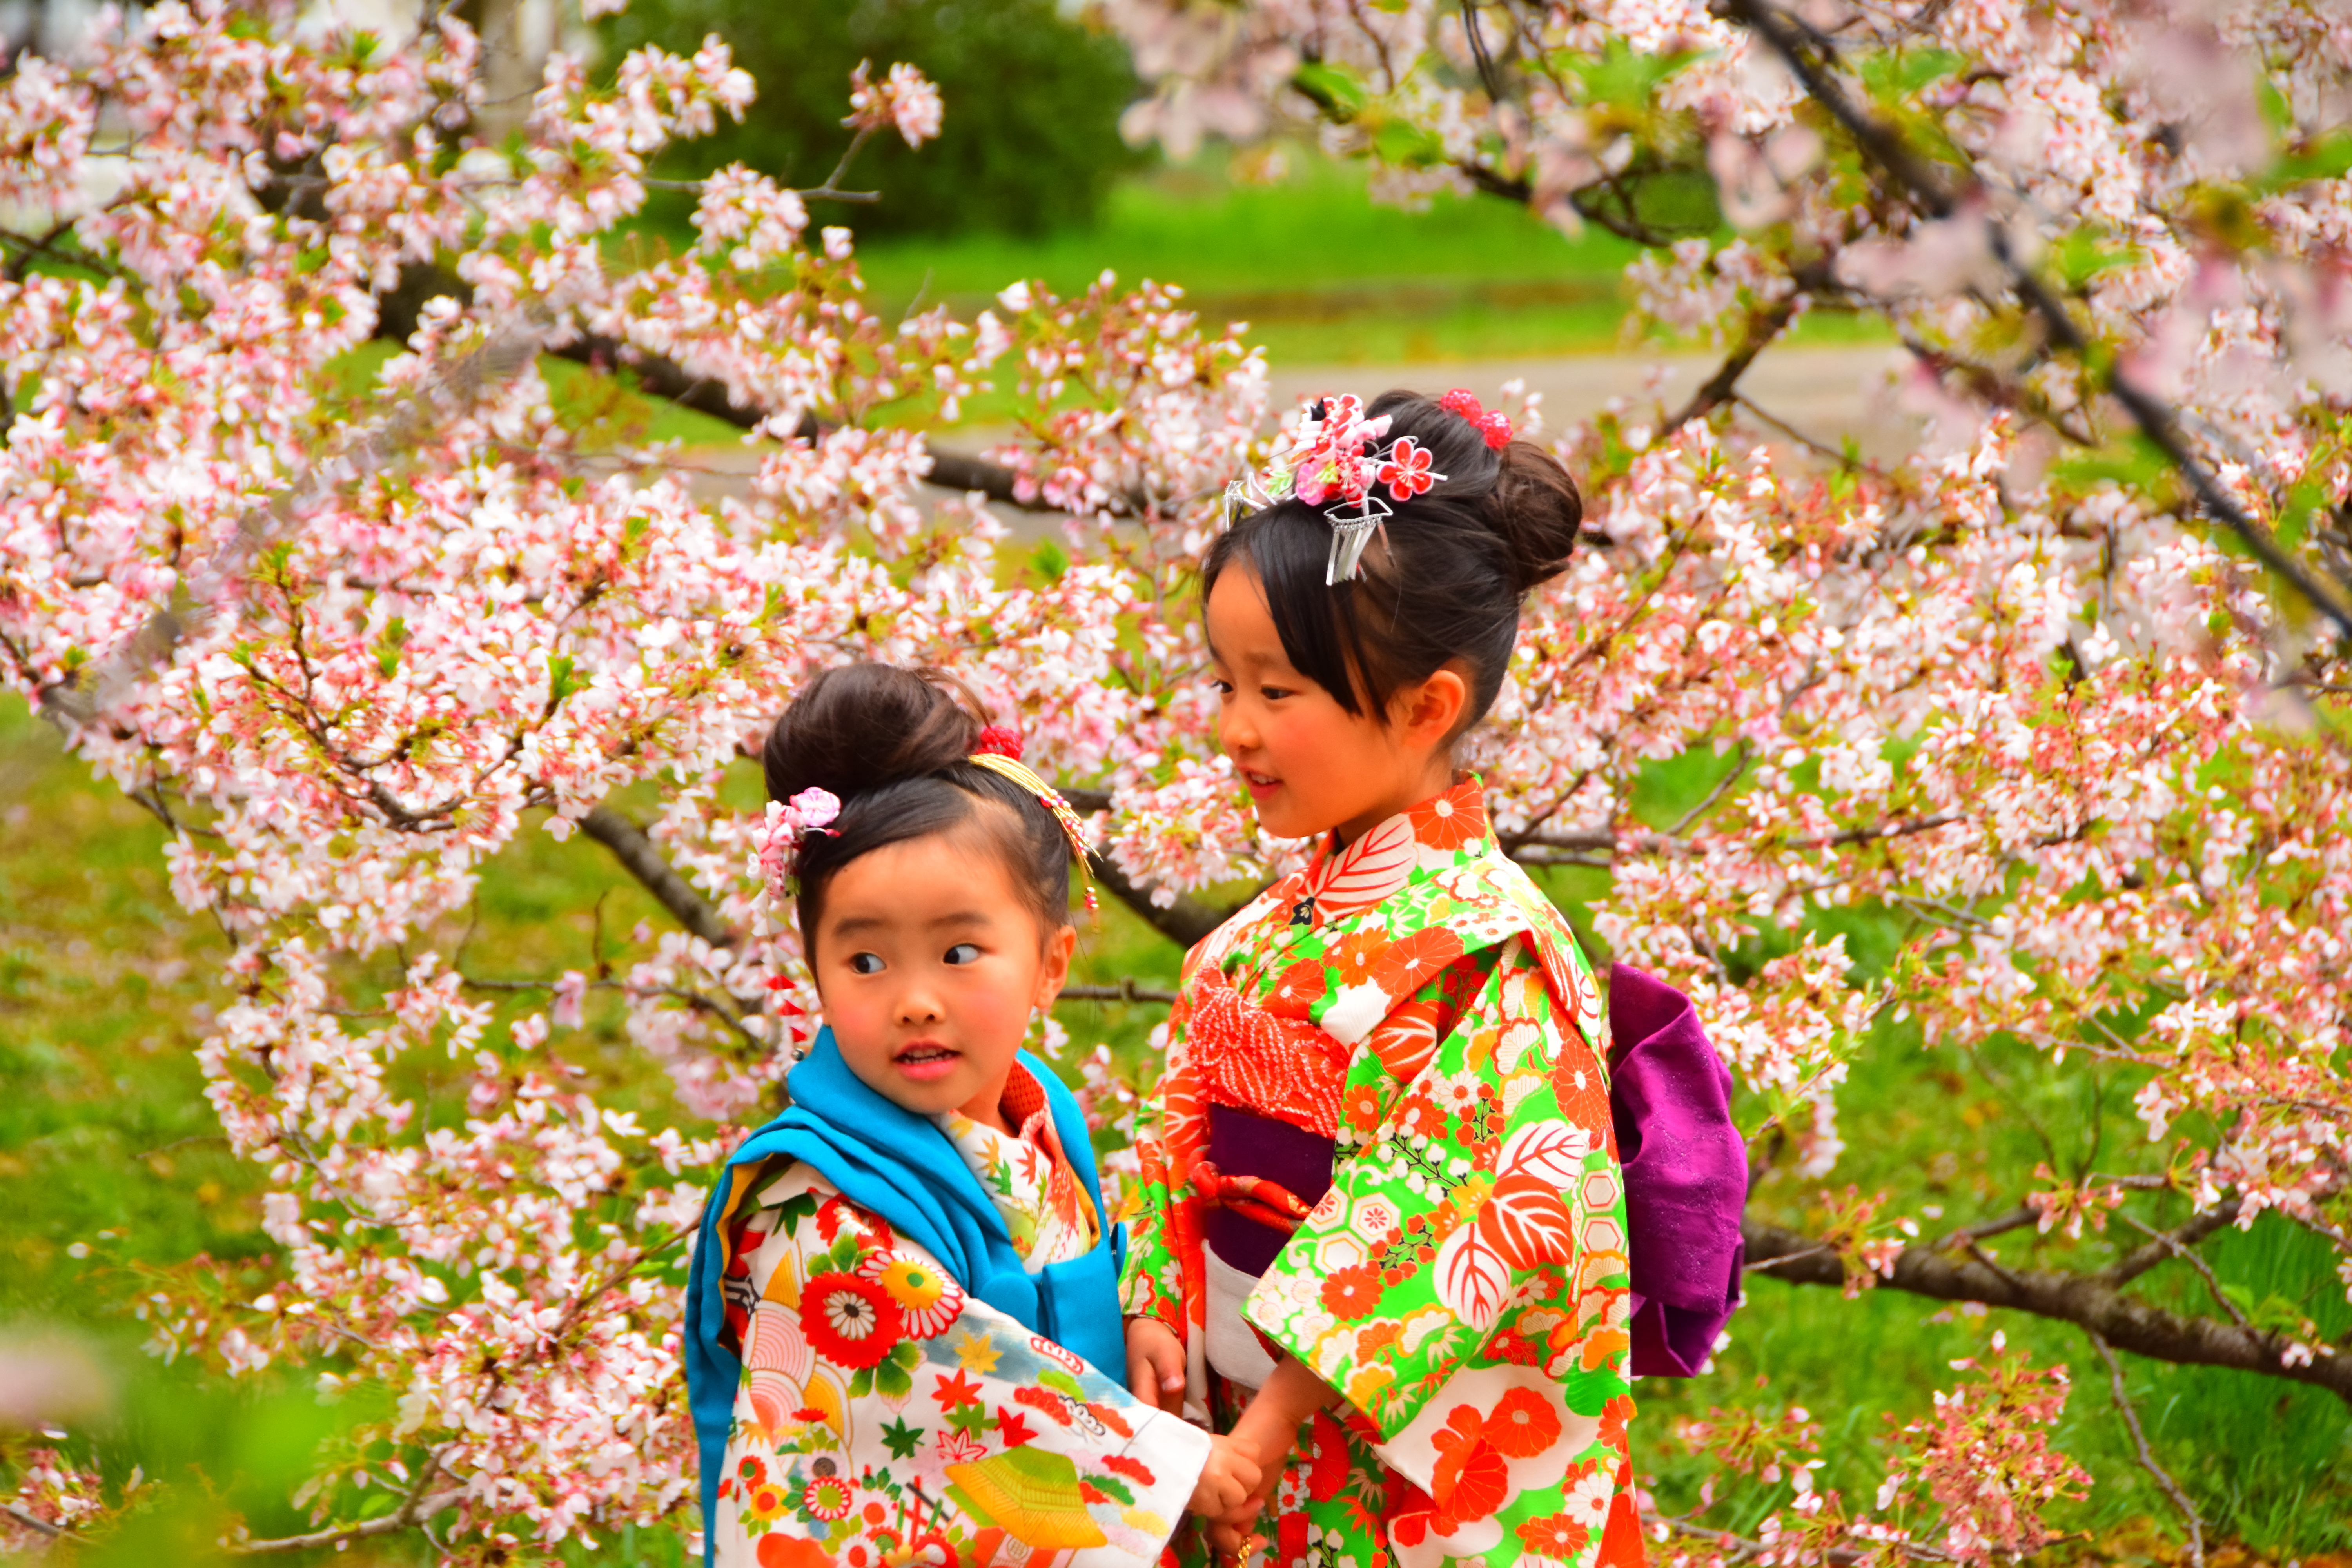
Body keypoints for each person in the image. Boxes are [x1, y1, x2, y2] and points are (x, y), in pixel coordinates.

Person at [1120, 392, 1648, 1567]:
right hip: (1252, 1414)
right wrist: (1157, 1300)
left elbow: (1454, 1207)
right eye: (1225, 684)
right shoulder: (1259, 935)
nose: (1234, 730)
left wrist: (1268, 1418)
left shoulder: (1492, 954)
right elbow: (1180, 1135)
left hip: (1379, 1447)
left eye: (1277, 691)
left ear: (1425, 707)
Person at [685, 664, 1260, 1568]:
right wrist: (1163, 1467)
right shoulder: (808, 1201)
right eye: (865, 960)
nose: (915, 1000)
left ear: (1050, 963)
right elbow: (940, 1393)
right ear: (815, 970)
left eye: (959, 951)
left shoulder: (1041, 1115)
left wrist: (1142, 1315)